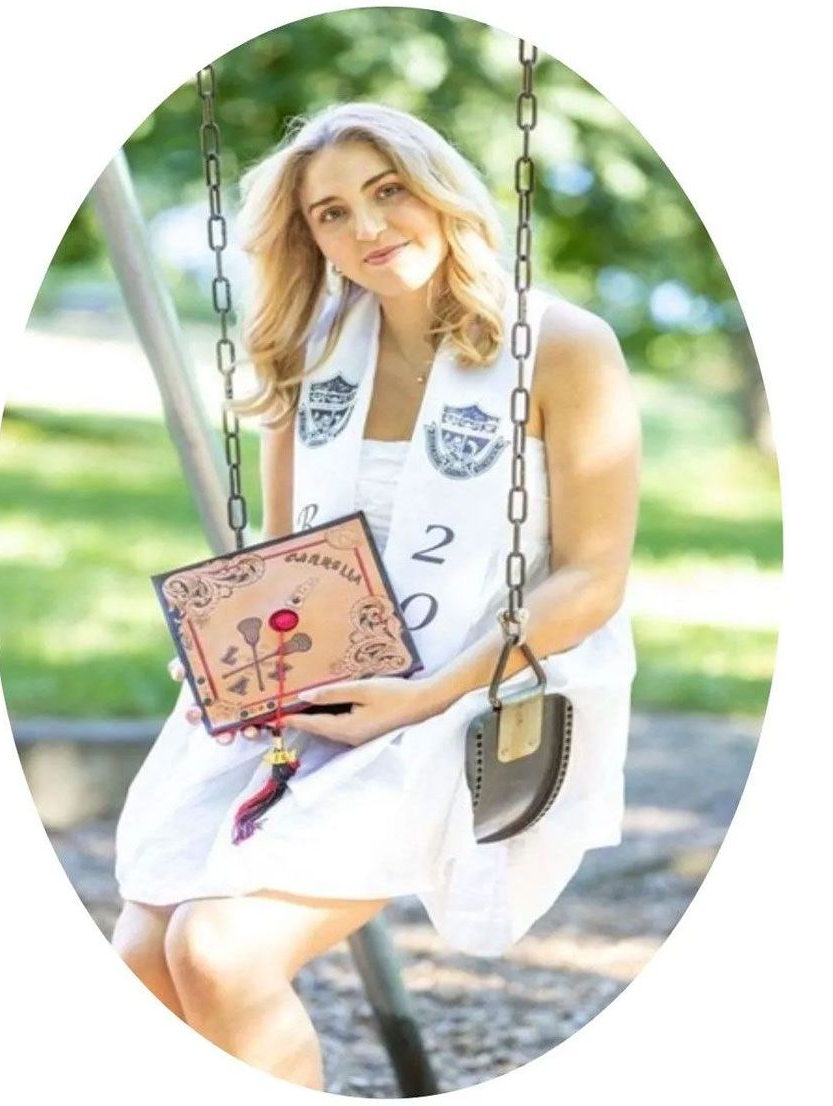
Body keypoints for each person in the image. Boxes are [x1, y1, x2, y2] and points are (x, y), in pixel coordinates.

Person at [110, 100, 640, 1090]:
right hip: (320, 676)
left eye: (387, 191)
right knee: (144, 948)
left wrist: (417, 696)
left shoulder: (561, 345)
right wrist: (232, 653)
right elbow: (286, 556)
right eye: (332, 212)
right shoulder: (316, 348)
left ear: (439, 193)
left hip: (471, 689)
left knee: (220, 948)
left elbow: (592, 578)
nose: (366, 229)